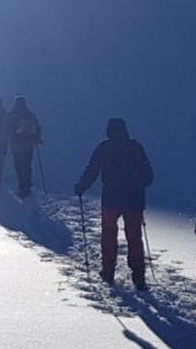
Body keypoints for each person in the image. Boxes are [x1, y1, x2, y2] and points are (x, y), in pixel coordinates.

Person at [74, 117, 155, 289]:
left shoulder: (104, 147)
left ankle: (108, 272)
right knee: (134, 237)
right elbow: (149, 175)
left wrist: (82, 186)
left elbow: (92, 169)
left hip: (111, 198)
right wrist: (139, 183)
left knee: (109, 234)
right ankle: (139, 277)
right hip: (134, 199)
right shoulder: (135, 147)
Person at [6, 96, 43, 198]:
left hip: (16, 146)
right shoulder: (30, 115)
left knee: (19, 167)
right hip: (28, 146)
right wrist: (37, 137)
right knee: (27, 166)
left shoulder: (11, 115)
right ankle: (27, 186)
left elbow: (7, 129)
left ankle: (22, 187)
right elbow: (38, 127)